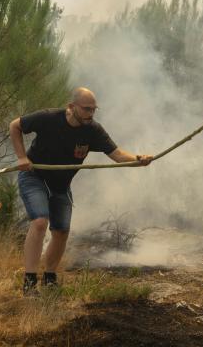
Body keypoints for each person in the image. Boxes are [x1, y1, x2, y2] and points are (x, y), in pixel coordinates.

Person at [9, 87, 153, 295]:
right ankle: (29, 284)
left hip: (61, 185)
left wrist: (138, 160)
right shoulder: (48, 118)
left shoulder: (93, 130)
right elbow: (15, 126)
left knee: (61, 231)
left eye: (94, 109)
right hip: (34, 176)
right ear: (72, 107)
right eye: (86, 109)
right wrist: (22, 157)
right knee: (40, 222)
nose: (91, 114)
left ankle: (49, 279)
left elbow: (118, 155)